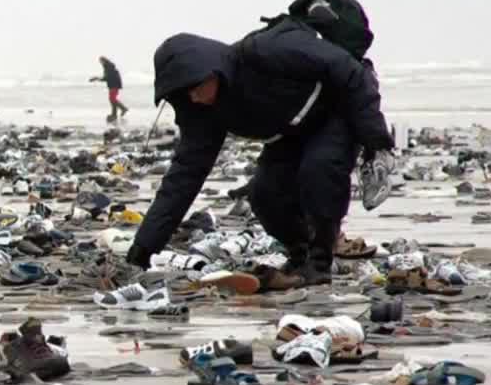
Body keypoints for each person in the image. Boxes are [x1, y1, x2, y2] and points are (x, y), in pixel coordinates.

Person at [125, 19, 395, 288]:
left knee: (320, 170)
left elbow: (350, 71)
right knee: (264, 195)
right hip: (289, 134)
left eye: (196, 88)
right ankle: (300, 257)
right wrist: (143, 250)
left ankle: (320, 262)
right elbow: (183, 177)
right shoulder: (204, 113)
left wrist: (376, 143)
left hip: (336, 112)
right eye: (186, 95)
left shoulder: (266, 51)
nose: (194, 98)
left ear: (211, 70)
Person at [90, 56, 128, 122]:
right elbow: (107, 78)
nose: (100, 63)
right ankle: (114, 114)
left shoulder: (109, 67)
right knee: (112, 99)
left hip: (114, 85)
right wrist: (97, 78)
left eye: (101, 61)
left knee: (112, 99)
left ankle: (123, 109)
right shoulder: (109, 67)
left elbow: (107, 78)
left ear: (104, 61)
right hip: (113, 85)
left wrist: (96, 78)